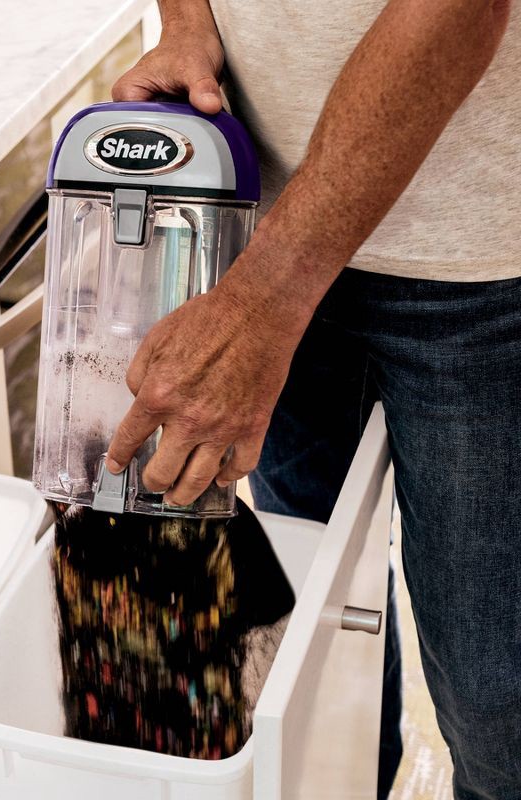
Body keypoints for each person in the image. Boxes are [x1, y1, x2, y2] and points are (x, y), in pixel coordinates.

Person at [105, 1, 520, 798]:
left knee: (497, 702)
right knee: (320, 632)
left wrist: (266, 296)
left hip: (478, 258)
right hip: (260, 218)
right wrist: (186, 21)